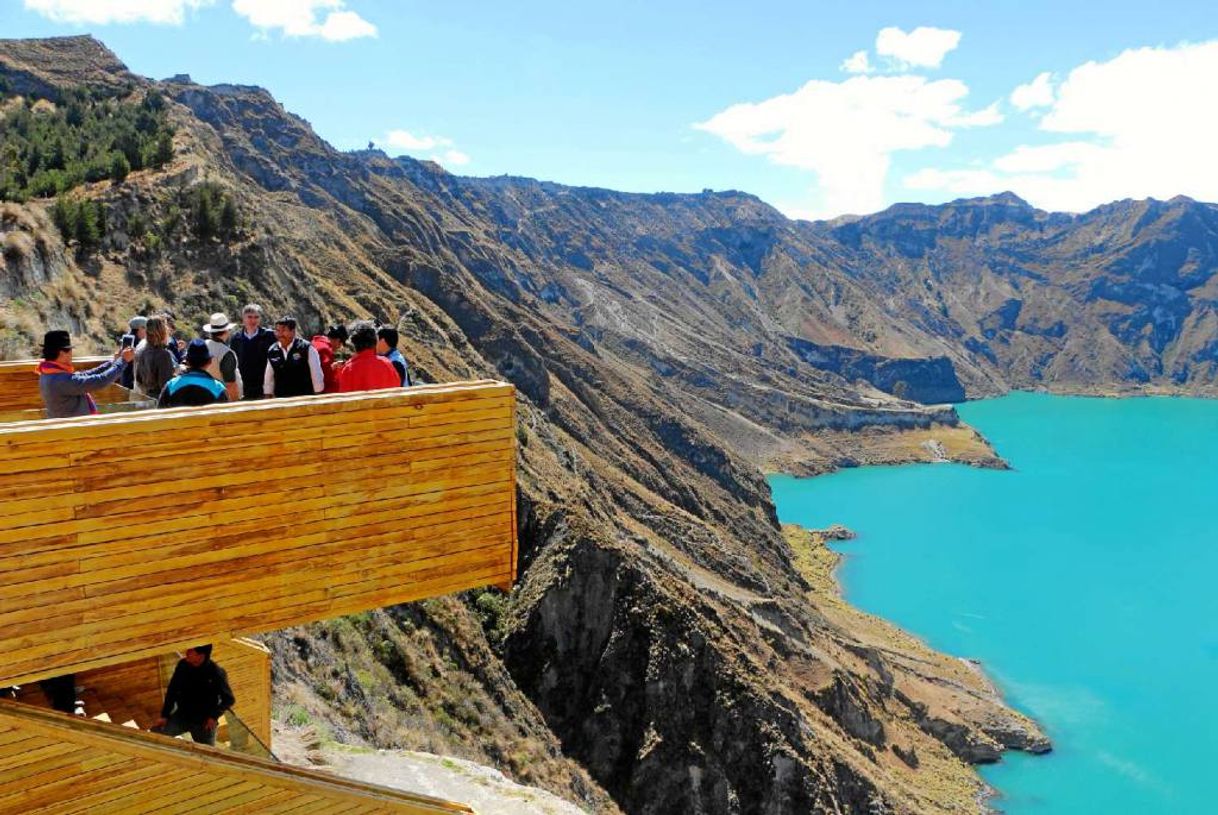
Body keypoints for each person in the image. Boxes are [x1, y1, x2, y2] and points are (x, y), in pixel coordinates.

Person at [37, 330, 135, 419]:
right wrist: (123, 361)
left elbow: (85, 376)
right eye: (70, 350)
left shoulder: (49, 373)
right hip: (74, 433)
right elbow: (101, 380)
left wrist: (112, 362)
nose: (72, 354)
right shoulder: (61, 380)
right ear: (62, 353)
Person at [151, 645, 235, 747]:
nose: (187, 652)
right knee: (155, 734)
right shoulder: (183, 665)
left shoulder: (216, 673)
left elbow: (229, 699)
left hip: (204, 723)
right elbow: (172, 690)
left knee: (207, 755)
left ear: (201, 656)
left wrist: (213, 717)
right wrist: (164, 716)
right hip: (182, 716)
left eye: (191, 651)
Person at [264, 316, 323, 398]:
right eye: (277, 331)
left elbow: (316, 375)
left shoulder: (306, 348)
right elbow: (269, 378)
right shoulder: (272, 350)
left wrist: (318, 396)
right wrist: (268, 395)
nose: (280, 334)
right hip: (281, 400)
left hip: (304, 399)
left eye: (284, 330)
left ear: (293, 331)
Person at [157, 340, 229, 408]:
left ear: (187, 361)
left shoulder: (171, 386)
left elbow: (160, 412)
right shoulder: (218, 388)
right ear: (209, 362)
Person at [337, 321, 401, 393]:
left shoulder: (349, 369)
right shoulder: (387, 364)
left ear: (353, 343)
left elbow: (344, 398)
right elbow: (397, 387)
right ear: (375, 341)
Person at [230, 304, 275, 400]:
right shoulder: (236, 339)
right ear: (243, 318)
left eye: (256, 317)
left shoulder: (269, 336)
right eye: (249, 317)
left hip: (264, 387)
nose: (253, 320)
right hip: (244, 388)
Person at [201, 312, 243, 402]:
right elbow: (230, 384)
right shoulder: (226, 353)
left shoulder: (202, 346)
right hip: (222, 400)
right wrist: (235, 404)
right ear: (226, 331)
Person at [134, 316, 177, 399]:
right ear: (163, 332)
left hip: (146, 399)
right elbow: (166, 386)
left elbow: (138, 379)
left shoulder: (141, 351)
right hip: (160, 402)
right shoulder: (163, 355)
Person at [310, 324, 348, 393]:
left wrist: (332, 366)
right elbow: (326, 379)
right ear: (338, 340)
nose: (339, 348)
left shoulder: (315, 343)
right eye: (341, 344)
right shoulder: (325, 350)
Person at [120, 316, 147, 389]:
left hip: (127, 379)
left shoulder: (128, 338)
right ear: (140, 328)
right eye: (146, 328)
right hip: (130, 381)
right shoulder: (132, 341)